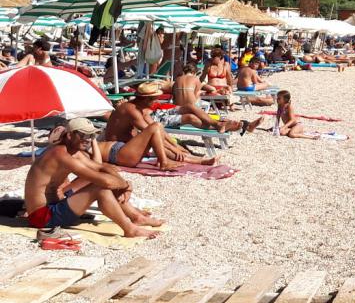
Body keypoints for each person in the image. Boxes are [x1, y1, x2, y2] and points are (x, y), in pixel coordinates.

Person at [25, 118, 161, 239]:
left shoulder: (73, 152)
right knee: (100, 188)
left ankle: (136, 217)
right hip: (42, 217)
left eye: (92, 135)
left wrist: (123, 184)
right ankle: (130, 229)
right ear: (70, 135)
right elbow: (104, 181)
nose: (88, 139)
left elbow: (103, 167)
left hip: (55, 205)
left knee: (102, 181)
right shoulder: (60, 154)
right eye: (84, 134)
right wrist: (125, 185)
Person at [102, 81, 216, 169]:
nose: (155, 102)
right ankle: (164, 162)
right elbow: (152, 130)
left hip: (125, 148)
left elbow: (159, 131)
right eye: (154, 100)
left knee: (158, 127)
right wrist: (173, 148)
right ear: (147, 99)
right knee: (156, 130)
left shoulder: (139, 108)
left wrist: (176, 145)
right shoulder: (131, 110)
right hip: (119, 151)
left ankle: (198, 160)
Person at [171, 63, 256, 134]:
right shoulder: (195, 79)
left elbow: (174, 97)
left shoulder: (177, 80)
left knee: (207, 117)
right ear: (194, 72)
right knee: (207, 116)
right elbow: (196, 95)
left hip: (179, 107)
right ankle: (245, 126)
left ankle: (246, 125)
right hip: (191, 107)